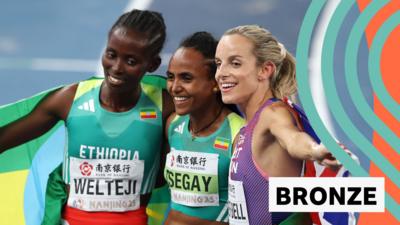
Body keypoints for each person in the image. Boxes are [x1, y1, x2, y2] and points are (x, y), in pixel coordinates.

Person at [0, 9, 173, 225]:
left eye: (131, 61)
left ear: (153, 65)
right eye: (111, 54)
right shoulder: (70, 100)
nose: (116, 68)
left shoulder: (164, 107)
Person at [214, 25, 340, 225]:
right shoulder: (244, 131)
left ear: (265, 70)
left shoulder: (272, 114)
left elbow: (293, 139)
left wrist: (314, 150)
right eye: (219, 63)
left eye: (235, 63)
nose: (221, 73)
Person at [163, 32, 245, 225]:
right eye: (170, 77)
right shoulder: (173, 125)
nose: (174, 87)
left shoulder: (240, 136)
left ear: (215, 83)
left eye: (186, 78)